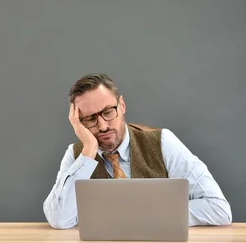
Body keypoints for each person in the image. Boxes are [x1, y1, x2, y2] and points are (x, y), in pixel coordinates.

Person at [43, 73, 232, 229]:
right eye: (90, 119)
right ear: (78, 123)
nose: (102, 126)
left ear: (122, 105)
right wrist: (89, 150)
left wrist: (145, 216)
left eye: (108, 111)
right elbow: (60, 219)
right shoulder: (78, 155)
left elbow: (218, 208)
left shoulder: (162, 142)